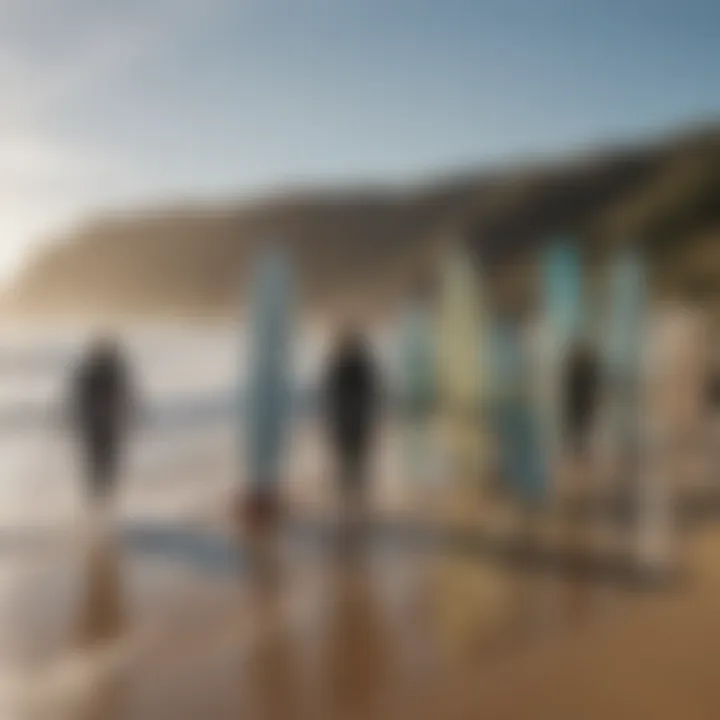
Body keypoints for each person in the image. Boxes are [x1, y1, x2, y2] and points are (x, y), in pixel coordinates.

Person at [322, 327, 381, 509]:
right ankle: (354, 495)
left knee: (348, 458)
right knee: (355, 458)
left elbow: (331, 395)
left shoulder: (339, 365)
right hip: (355, 419)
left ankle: (349, 495)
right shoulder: (361, 366)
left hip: (347, 419)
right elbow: (372, 394)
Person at [72, 335, 135, 501]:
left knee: (98, 461)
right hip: (103, 423)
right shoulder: (110, 371)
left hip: (98, 423)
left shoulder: (94, 371)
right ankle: (102, 494)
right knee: (104, 460)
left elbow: (79, 400)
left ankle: (101, 494)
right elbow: (125, 397)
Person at [562, 339, 600, 459]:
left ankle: (579, 448)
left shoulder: (581, 365)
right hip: (579, 401)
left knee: (581, 425)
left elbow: (592, 385)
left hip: (580, 401)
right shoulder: (581, 365)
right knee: (581, 425)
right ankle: (578, 448)